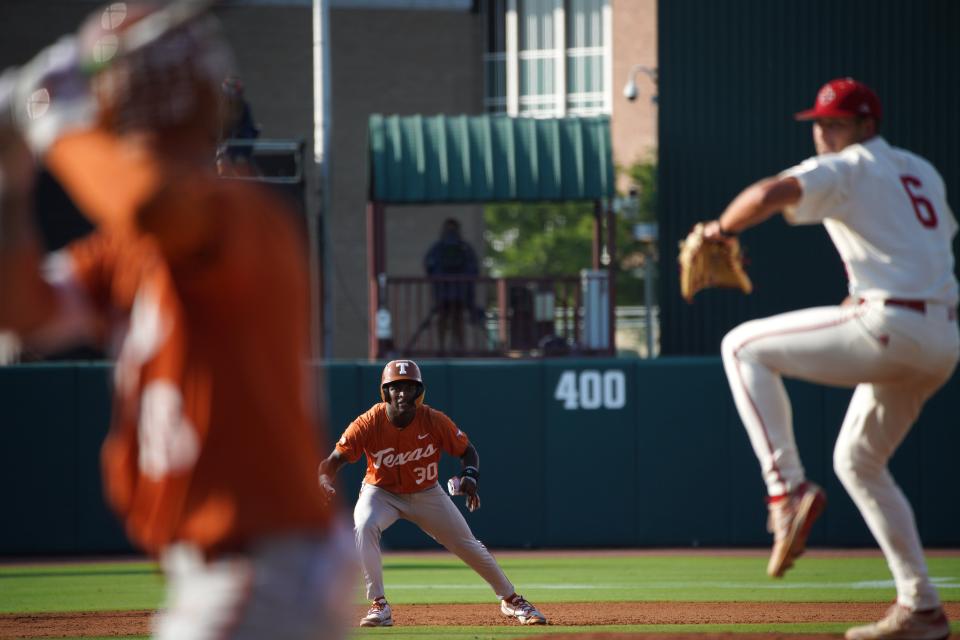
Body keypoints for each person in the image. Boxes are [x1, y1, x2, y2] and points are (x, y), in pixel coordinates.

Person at [0, 4, 353, 639]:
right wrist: (10, 179)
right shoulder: (130, 245)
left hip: (259, 567)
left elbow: (147, 202)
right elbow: (22, 313)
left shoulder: (232, 211)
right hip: (223, 572)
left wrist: (52, 121)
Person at [704, 78, 958, 640]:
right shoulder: (921, 171)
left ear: (867, 126)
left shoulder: (848, 166)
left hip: (892, 322)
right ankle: (922, 607)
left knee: (741, 345)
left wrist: (719, 229)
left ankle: (786, 490)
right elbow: (914, 248)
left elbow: (770, 193)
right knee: (859, 462)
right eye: (819, 123)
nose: (823, 132)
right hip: (942, 337)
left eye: (836, 122)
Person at [317, 359, 547, 628]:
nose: (403, 393)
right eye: (396, 387)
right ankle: (379, 604)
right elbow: (332, 461)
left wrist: (470, 475)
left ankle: (511, 600)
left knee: (468, 545)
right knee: (363, 525)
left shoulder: (433, 420)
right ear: (385, 392)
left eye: (410, 387)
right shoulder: (368, 422)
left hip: (427, 493)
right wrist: (323, 479)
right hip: (380, 492)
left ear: (419, 392)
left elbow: (467, 451)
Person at [423, 218, 479, 352]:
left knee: (454, 319)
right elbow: (474, 269)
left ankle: (456, 348)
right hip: (451, 291)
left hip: (451, 291)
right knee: (448, 319)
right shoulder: (459, 247)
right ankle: (448, 347)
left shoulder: (457, 248)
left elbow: (429, 265)